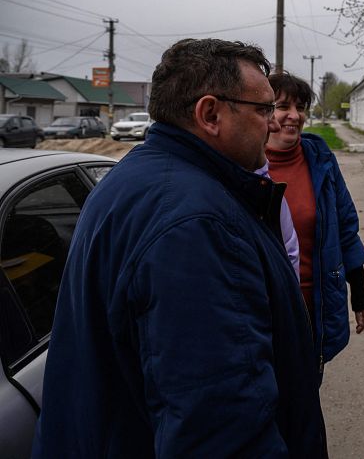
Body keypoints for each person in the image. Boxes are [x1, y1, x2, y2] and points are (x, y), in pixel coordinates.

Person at [32, 39, 323, 458]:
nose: (273, 123)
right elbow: (219, 429)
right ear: (210, 114)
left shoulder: (139, 176)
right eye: (262, 109)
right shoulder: (196, 226)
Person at [264, 72, 364, 374]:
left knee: (307, 395)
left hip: (314, 305)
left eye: (300, 107)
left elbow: (345, 227)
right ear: (263, 110)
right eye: (283, 106)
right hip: (263, 312)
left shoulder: (319, 159)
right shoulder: (245, 163)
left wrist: (360, 293)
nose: (294, 116)